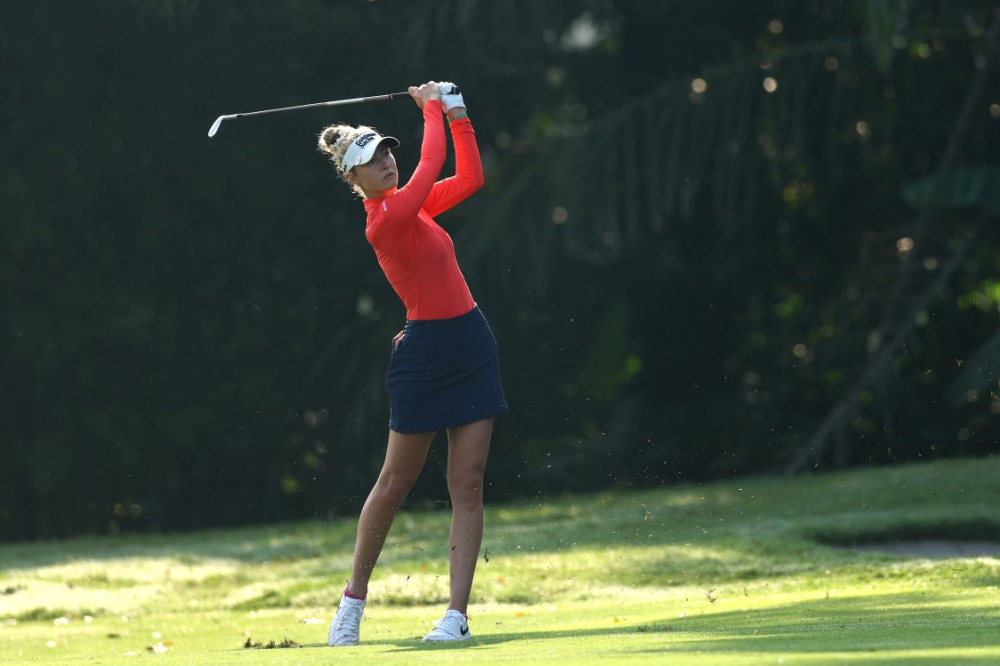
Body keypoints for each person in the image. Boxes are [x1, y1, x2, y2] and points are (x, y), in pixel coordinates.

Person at [317, 81, 508, 645]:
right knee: (396, 481)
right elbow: (431, 160)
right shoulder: (386, 219)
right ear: (352, 180)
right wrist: (430, 107)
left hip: (471, 342)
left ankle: (455, 615)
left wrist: (458, 113)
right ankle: (353, 600)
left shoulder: (413, 204)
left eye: (386, 153)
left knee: (467, 482)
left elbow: (469, 177)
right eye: (372, 162)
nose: (386, 164)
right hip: (424, 356)